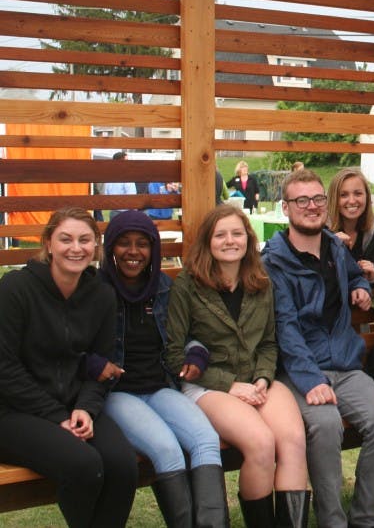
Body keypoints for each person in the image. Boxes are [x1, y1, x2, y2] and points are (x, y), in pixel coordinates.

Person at [263, 169, 374, 528]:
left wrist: (361, 286)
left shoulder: (335, 247)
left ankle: (364, 520)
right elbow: (285, 330)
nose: (311, 206)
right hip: (299, 372)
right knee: (324, 426)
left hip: (345, 362)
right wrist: (311, 381)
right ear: (286, 207)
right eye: (301, 200)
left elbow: (353, 272)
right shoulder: (273, 262)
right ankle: (332, 521)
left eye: (318, 199)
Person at [166, 205, 309, 528]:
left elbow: (270, 343)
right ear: (208, 242)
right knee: (261, 442)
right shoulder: (187, 285)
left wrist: (262, 377)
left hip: (257, 379)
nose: (230, 241)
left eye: (237, 233)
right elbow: (174, 355)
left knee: (293, 439)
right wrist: (230, 385)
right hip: (207, 385)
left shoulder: (260, 281)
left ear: (248, 238)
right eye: (220, 235)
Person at [0, 208, 138, 528]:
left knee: (122, 464)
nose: (76, 248)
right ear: (48, 243)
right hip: (13, 411)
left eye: (84, 240)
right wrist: (57, 416)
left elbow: (101, 366)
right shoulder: (16, 289)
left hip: (74, 404)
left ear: (96, 247)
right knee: (84, 465)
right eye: (65, 239)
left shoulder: (102, 295)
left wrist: (86, 409)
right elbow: (4, 368)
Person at [94, 210, 228, 527]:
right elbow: (73, 343)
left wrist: (195, 356)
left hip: (160, 387)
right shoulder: (96, 289)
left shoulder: (163, 287)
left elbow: (189, 335)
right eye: (124, 243)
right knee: (167, 449)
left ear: (153, 249)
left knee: (206, 441)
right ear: (110, 247)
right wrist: (93, 363)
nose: (133, 251)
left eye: (142, 244)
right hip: (118, 393)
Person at [327, 167, 374, 289]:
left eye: (358, 193)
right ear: (334, 199)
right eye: (343, 195)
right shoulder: (323, 231)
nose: (352, 201)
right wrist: (331, 249)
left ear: (367, 197)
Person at [105, 151, 138, 219]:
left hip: (114, 212)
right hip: (126, 213)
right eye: (126, 160)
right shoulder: (127, 176)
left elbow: (106, 195)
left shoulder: (109, 176)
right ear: (120, 162)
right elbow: (131, 197)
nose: (128, 162)